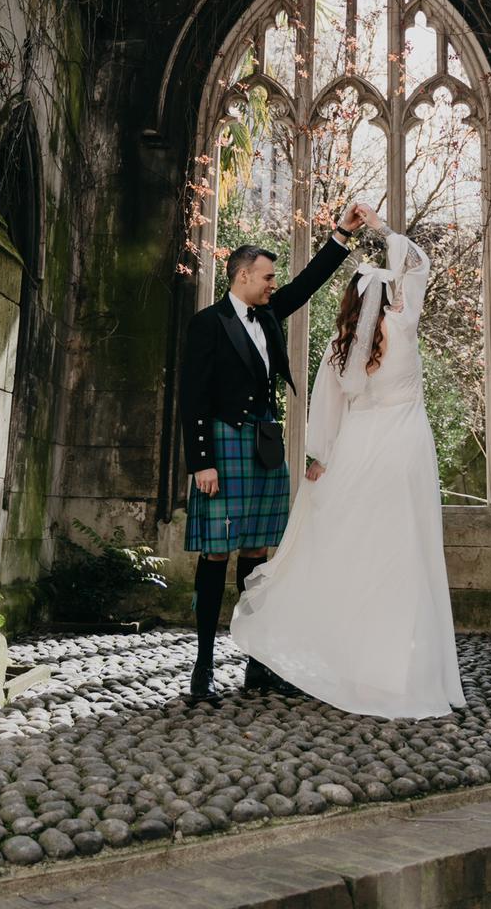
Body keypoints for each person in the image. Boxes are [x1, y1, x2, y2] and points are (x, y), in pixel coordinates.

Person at [230, 209, 466, 719]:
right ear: (389, 297)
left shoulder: (340, 349)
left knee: (354, 555)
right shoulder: (402, 326)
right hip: (402, 450)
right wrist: (382, 228)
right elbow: (420, 264)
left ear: (352, 301)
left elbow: (327, 409)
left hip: (357, 451)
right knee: (405, 557)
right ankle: (396, 670)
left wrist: (320, 457)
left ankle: (353, 662)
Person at [179, 201, 366, 700]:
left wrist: (340, 236)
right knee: (216, 556)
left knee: (259, 559)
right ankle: (203, 667)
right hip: (222, 445)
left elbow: (307, 285)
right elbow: (192, 396)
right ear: (241, 276)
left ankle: (258, 664)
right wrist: (201, 462)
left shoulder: (268, 316)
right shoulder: (208, 324)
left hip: (263, 447)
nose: (271, 284)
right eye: (265, 276)